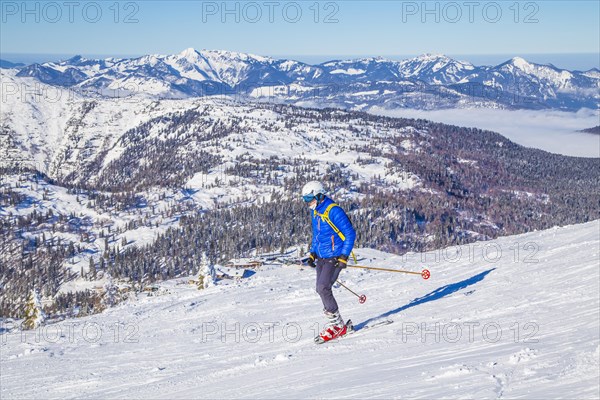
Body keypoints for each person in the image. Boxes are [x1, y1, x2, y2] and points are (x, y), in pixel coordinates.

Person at [301, 180, 356, 342]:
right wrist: (313, 253)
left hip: (335, 256)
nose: (307, 203)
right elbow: (317, 235)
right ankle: (337, 324)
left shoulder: (334, 211)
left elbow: (350, 234)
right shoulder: (315, 211)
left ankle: (337, 327)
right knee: (321, 289)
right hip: (322, 256)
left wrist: (344, 256)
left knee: (323, 287)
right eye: (305, 200)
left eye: (309, 199)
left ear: (319, 195)